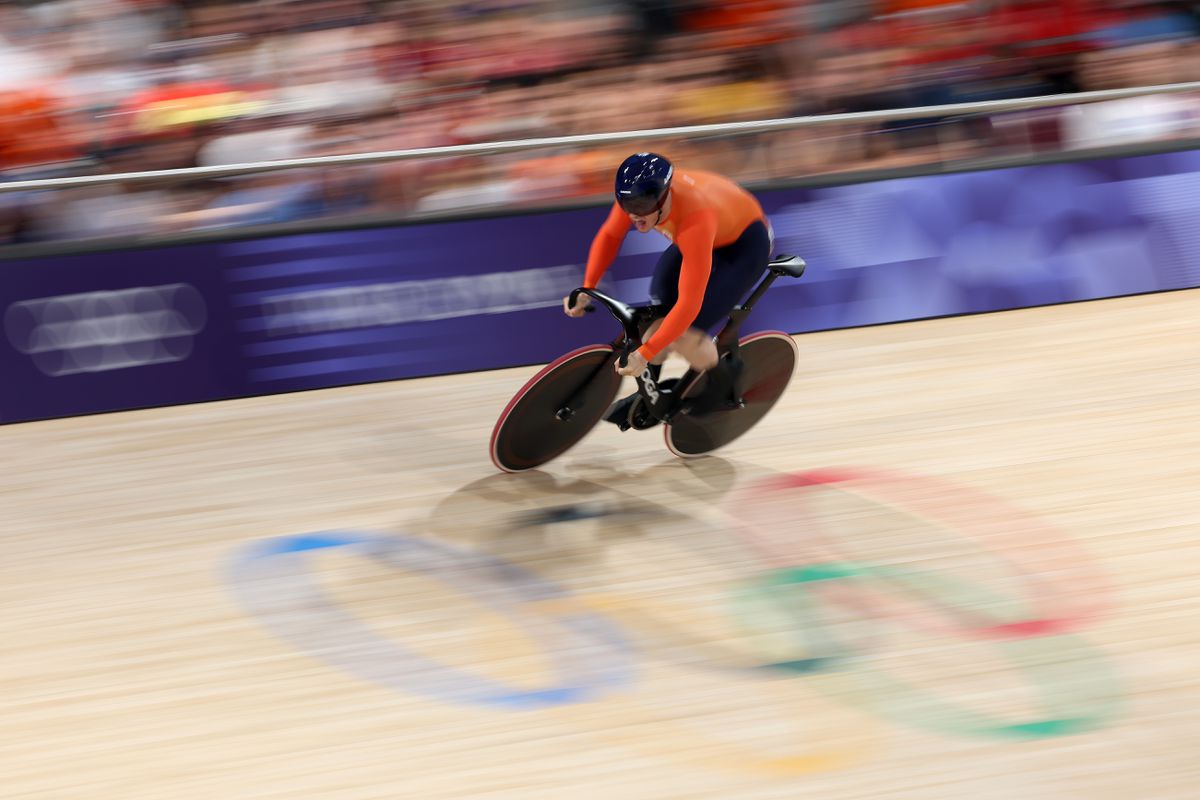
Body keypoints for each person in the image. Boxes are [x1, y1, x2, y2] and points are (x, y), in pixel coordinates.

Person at [562, 151, 772, 420]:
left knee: (686, 335)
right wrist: (587, 286)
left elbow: (689, 305)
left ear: (664, 196)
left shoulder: (695, 218)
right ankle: (651, 396)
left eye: (643, 206)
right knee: (657, 309)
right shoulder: (634, 198)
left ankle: (724, 379)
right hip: (709, 231)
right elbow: (609, 236)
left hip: (744, 246)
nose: (636, 215)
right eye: (628, 205)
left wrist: (645, 353)